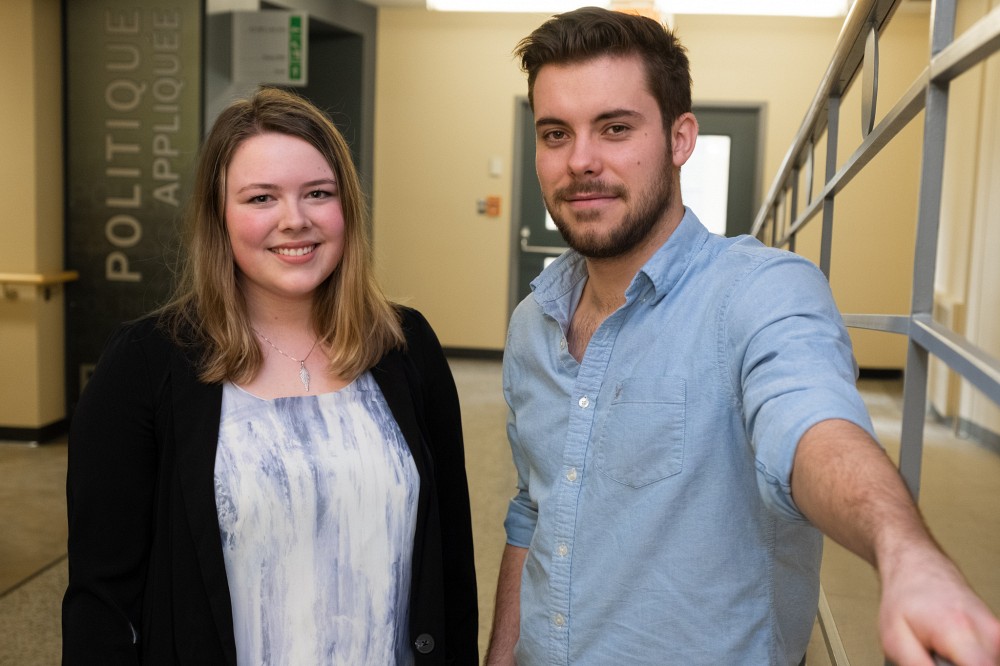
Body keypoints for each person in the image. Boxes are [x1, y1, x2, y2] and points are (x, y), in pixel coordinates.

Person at [485, 7, 1000, 666]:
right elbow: (533, 508)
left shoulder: (761, 293)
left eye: (615, 128)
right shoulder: (534, 321)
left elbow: (814, 427)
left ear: (680, 138)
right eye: (555, 133)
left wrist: (905, 552)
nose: (581, 161)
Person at [62, 87, 478, 664]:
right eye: (261, 197)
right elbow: (102, 598)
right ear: (220, 216)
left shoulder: (405, 347)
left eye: (318, 193)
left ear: (346, 208)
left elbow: (450, 559)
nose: (295, 220)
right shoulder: (144, 364)